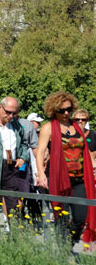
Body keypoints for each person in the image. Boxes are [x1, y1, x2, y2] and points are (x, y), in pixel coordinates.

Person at [36, 92, 96, 245]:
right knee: (61, 217)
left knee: (81, 216)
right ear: (54, 110)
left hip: (79, 179)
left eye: (69, 109)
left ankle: (70, 241)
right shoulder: (48, 127)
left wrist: (93, 167)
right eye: (62, 110)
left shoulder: (76, 127)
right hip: (58, 178)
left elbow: (86, 151)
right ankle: (63, 252)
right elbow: (40, 151)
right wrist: (41, 174)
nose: (66, 113)